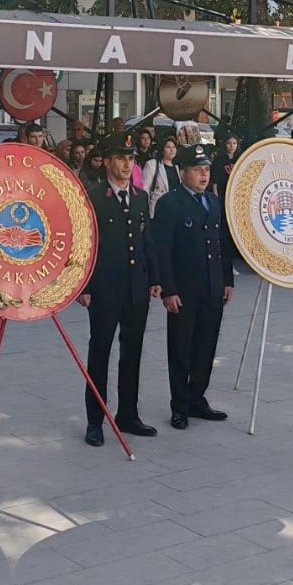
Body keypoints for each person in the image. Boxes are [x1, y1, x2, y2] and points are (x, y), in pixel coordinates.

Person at [78, 133, 160, 447]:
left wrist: (154, 277)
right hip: (104, 289)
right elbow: (84, 245)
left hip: (136, 288)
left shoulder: (139, 197)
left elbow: (146, 239)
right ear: (109, 162)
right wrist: (83, 285)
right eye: (121, 158)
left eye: (131, 159)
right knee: (99, 352)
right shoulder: (94, 197)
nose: (127, 165)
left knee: (133, 352)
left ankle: (128, 414)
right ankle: (95, 420)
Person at [151, 144, 234, 429]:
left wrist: (227, 281)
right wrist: (168, 290)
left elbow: (221, 244)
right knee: (181, 349)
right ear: (182, 172)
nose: (203, 175)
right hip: (184, 292)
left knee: (206, 347)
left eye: (206, 169)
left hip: (212, 288)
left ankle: (198, 398)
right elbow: (163, 251)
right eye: (197, 170)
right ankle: (180, 406)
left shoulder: (212, 203)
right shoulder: (169, 204)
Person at [141, 136, 180, 218]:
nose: (172, 150)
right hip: (158, 209)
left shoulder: (177, 167)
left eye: (174, 147)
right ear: (162, 149)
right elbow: (145, 189)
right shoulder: (152, 164)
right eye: (168, 147)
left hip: (175, 210)